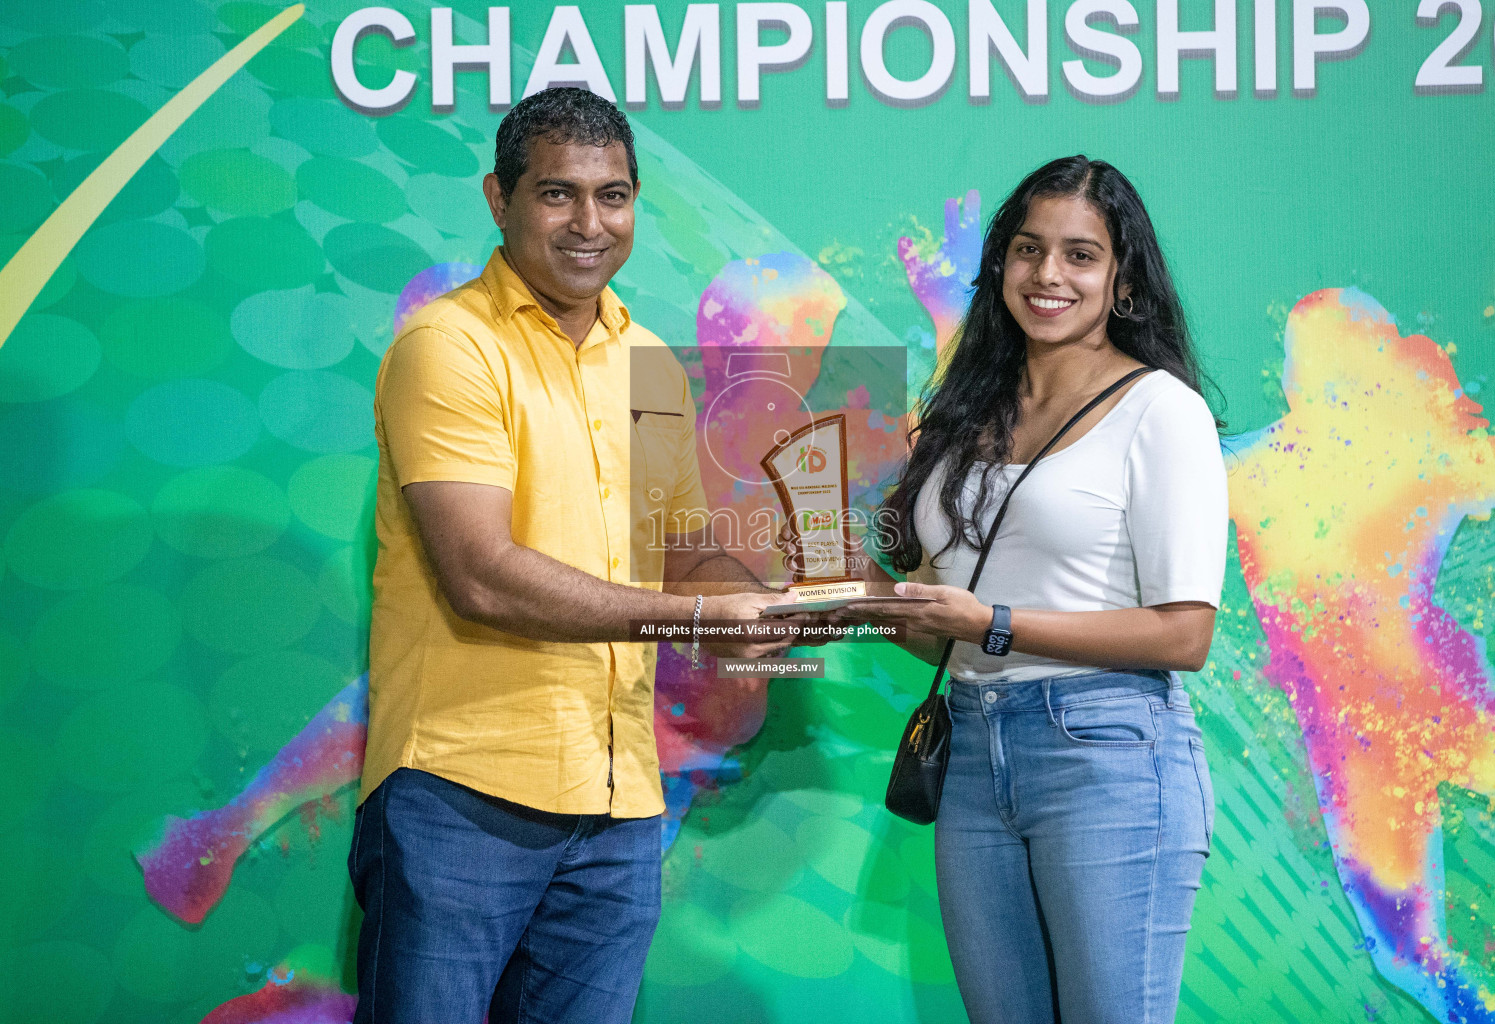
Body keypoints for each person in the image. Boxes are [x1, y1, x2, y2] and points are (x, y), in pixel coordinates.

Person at [351, 87, 793, 1024]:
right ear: (498, 199)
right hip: (460, 794)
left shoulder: (651, 367)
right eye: (558, 195)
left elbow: (680, 556)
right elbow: (480, 574)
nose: (591, 224)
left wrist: (787, 601)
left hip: (619, 798)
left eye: (614, 195)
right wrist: (704, 618)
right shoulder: (449, 345)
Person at [844, 156, 1228, 1023]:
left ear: (1122, 279)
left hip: (1107, 752)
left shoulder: (1160, 410)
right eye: (1027, 249)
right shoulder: (959, 415)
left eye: (1080, 255)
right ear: (999, 266)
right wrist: (860, 592)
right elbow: (948, 631)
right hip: (974, 749)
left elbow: (1184, 636)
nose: (1048, 274)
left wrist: (995, 622)